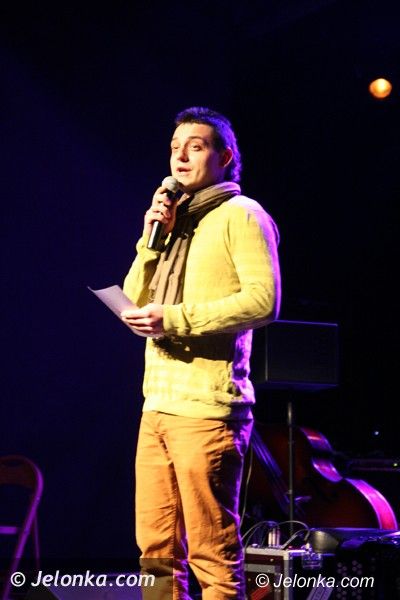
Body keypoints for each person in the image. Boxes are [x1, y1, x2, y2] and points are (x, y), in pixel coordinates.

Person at [121, 106, 281, 600]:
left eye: (196, 146)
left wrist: (174, 318)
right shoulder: (173, 222)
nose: (181, 156)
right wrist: (150, 240)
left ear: (224, 156)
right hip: (157, 405)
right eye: (175, 148)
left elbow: (264, 301)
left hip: (208, 411)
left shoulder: (243, 215)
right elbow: (134, 300)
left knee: (212, 555)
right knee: (156, 553)